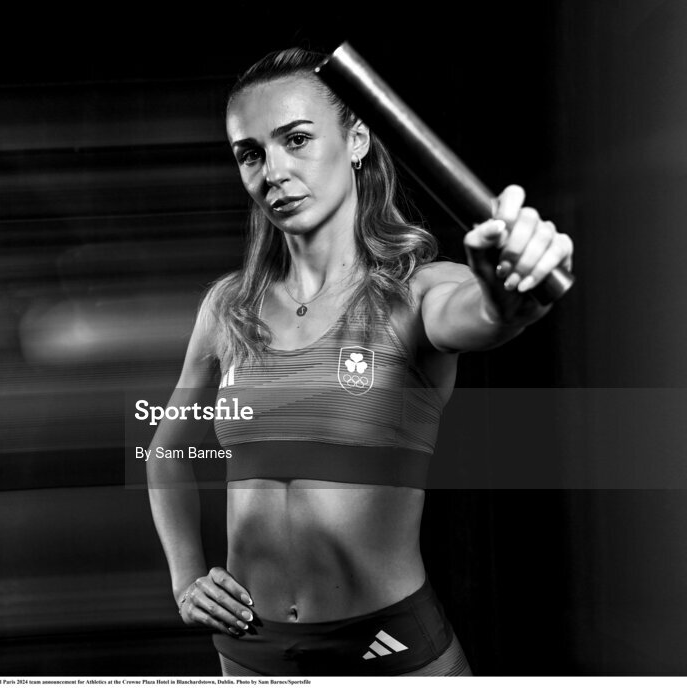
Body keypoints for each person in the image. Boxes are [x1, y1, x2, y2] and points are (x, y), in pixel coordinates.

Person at [146, 47, 573, 676]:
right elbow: (165, 449)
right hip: (249, 653)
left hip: (390, 650)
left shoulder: (418, 290)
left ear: (357, 141)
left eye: (296, 139)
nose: (275, 171)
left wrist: (516, 288)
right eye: (251, 153)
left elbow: (488, 314)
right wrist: (186, 580)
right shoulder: (227, 307)